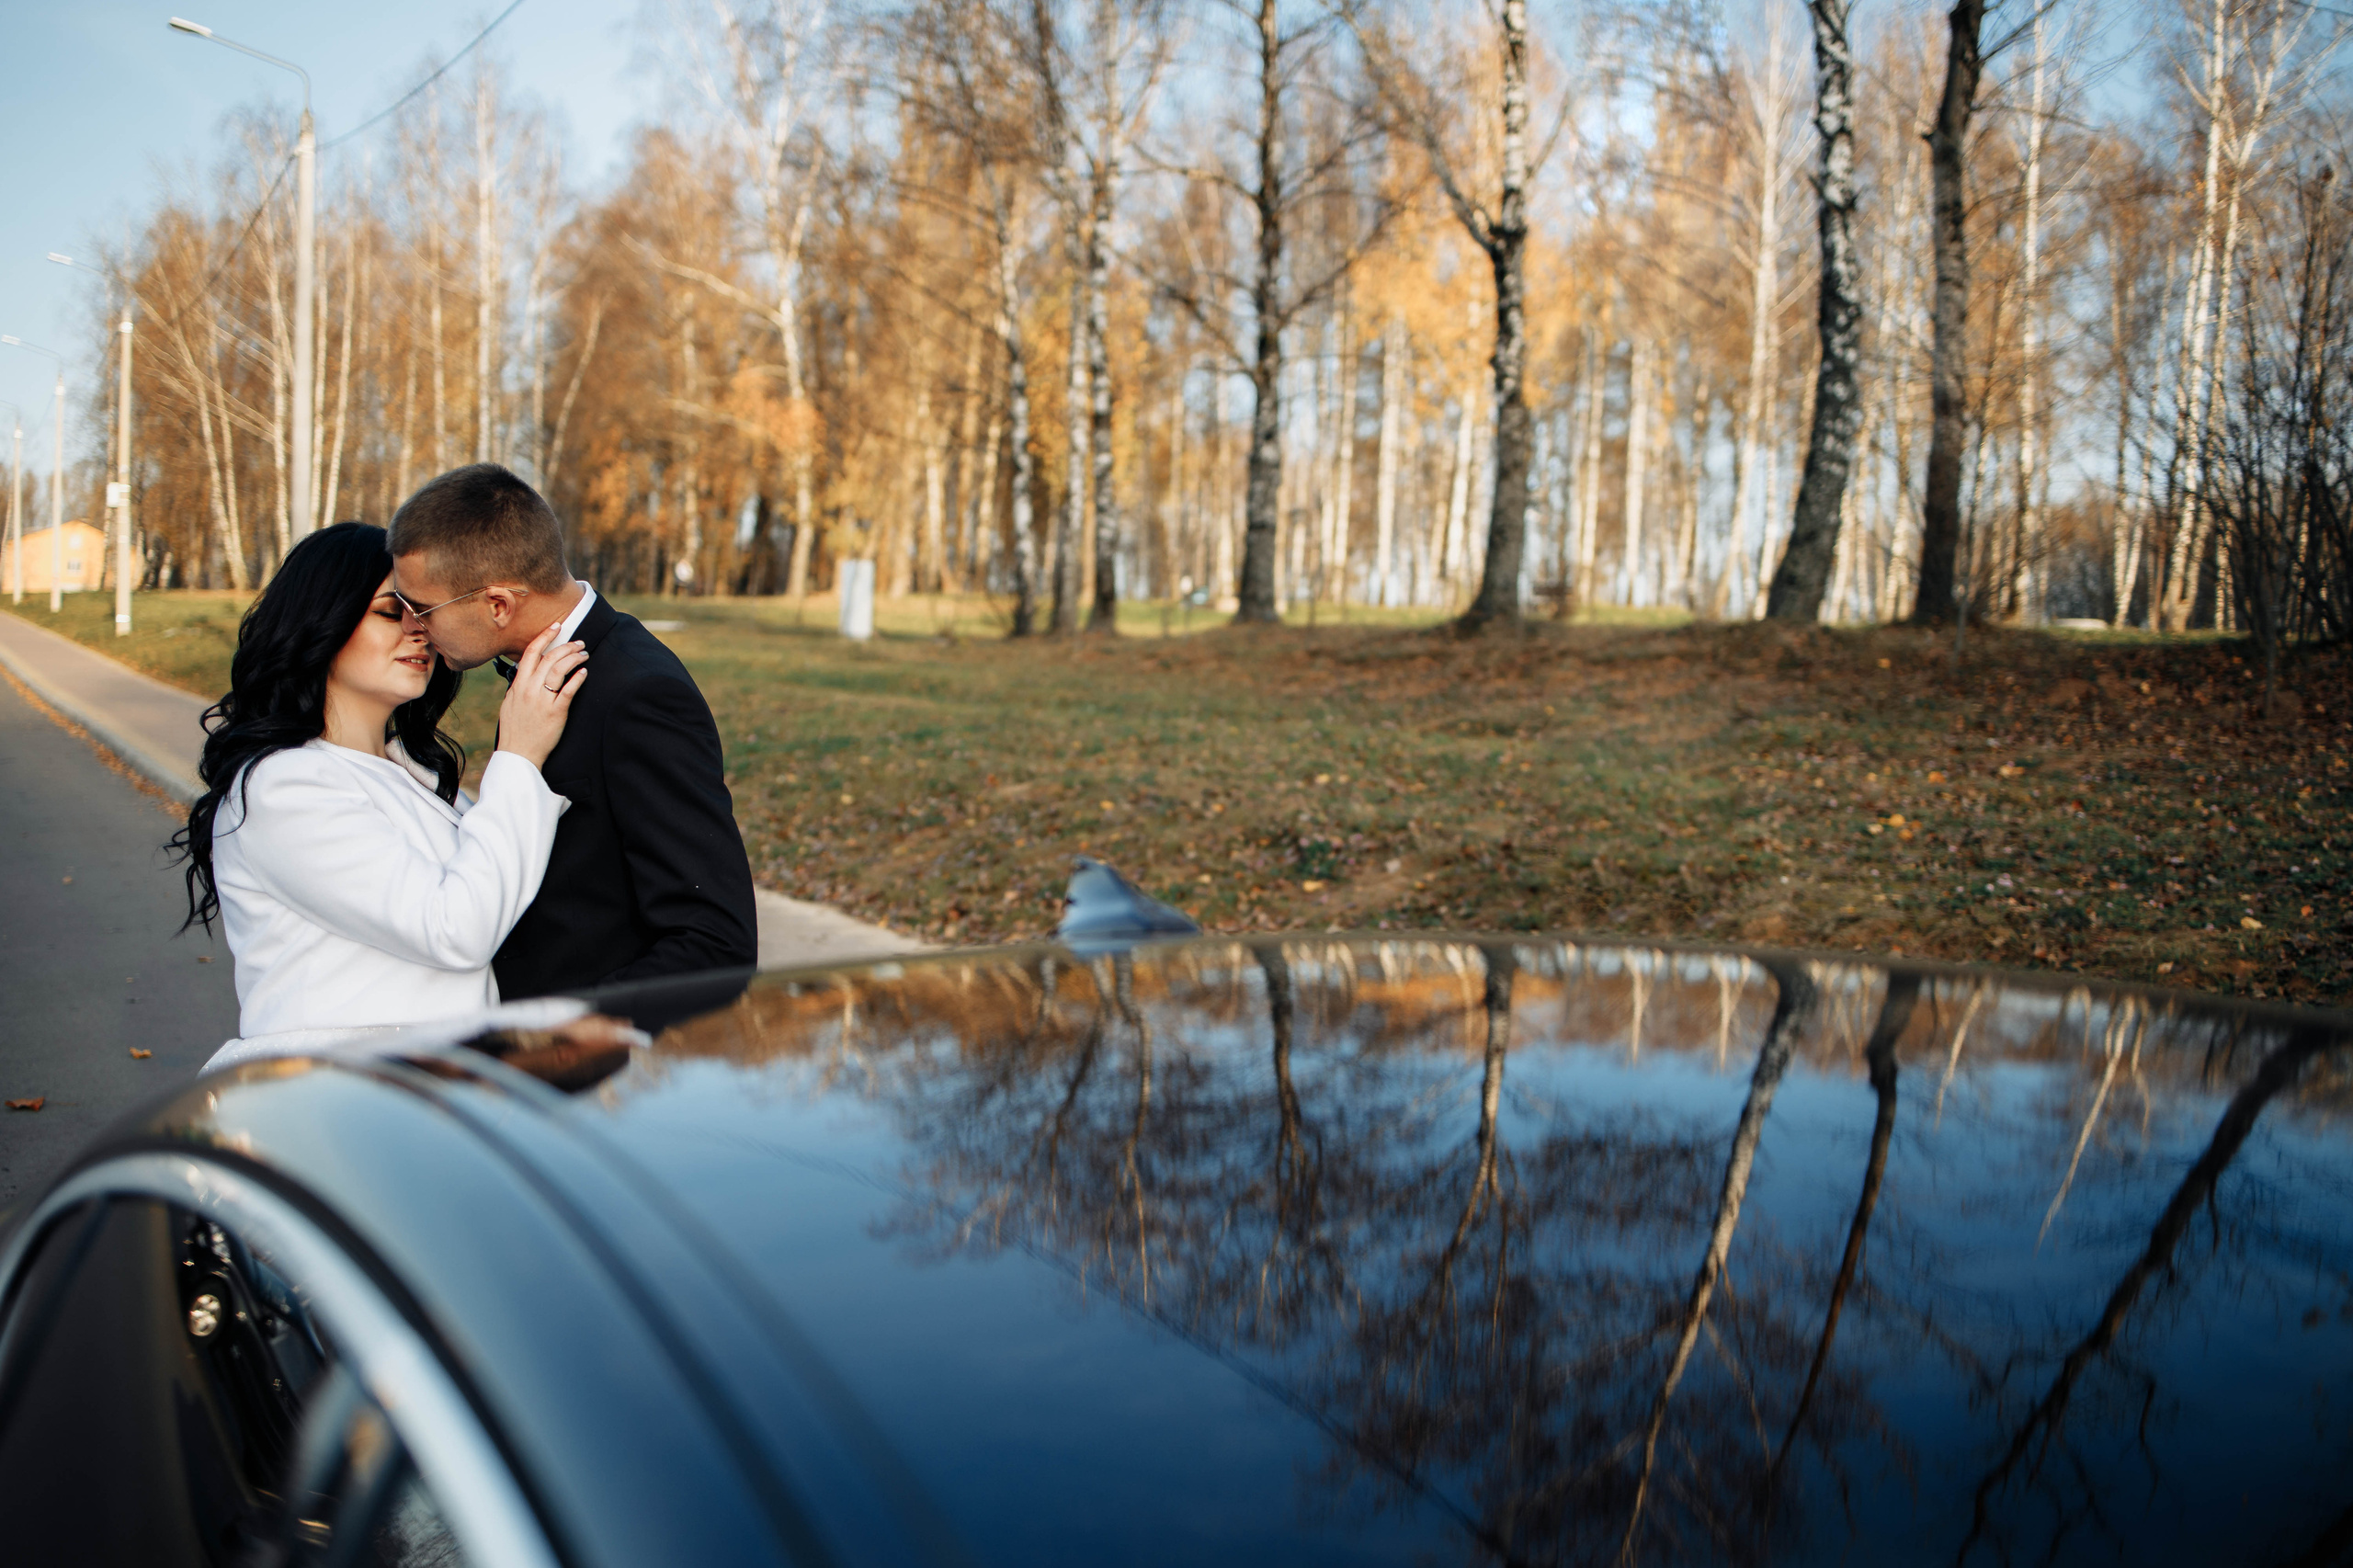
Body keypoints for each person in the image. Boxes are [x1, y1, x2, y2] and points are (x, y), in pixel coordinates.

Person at [173, 521, 592, 1062]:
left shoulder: (412, 773)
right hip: (334, 1108)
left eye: (425, 612)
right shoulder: (281, 787)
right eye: (391, 612)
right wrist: (518, 758)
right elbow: (456, 929)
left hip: (431, 1103)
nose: (419, 631)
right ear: (323, 619)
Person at [387, 462, 758, 998]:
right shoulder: (542, 672)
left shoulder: (638, 695)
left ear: (498, 605)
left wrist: (561, 1039)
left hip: (590, 1072)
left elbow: (715, 943)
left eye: (422, 608)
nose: (411, 626)